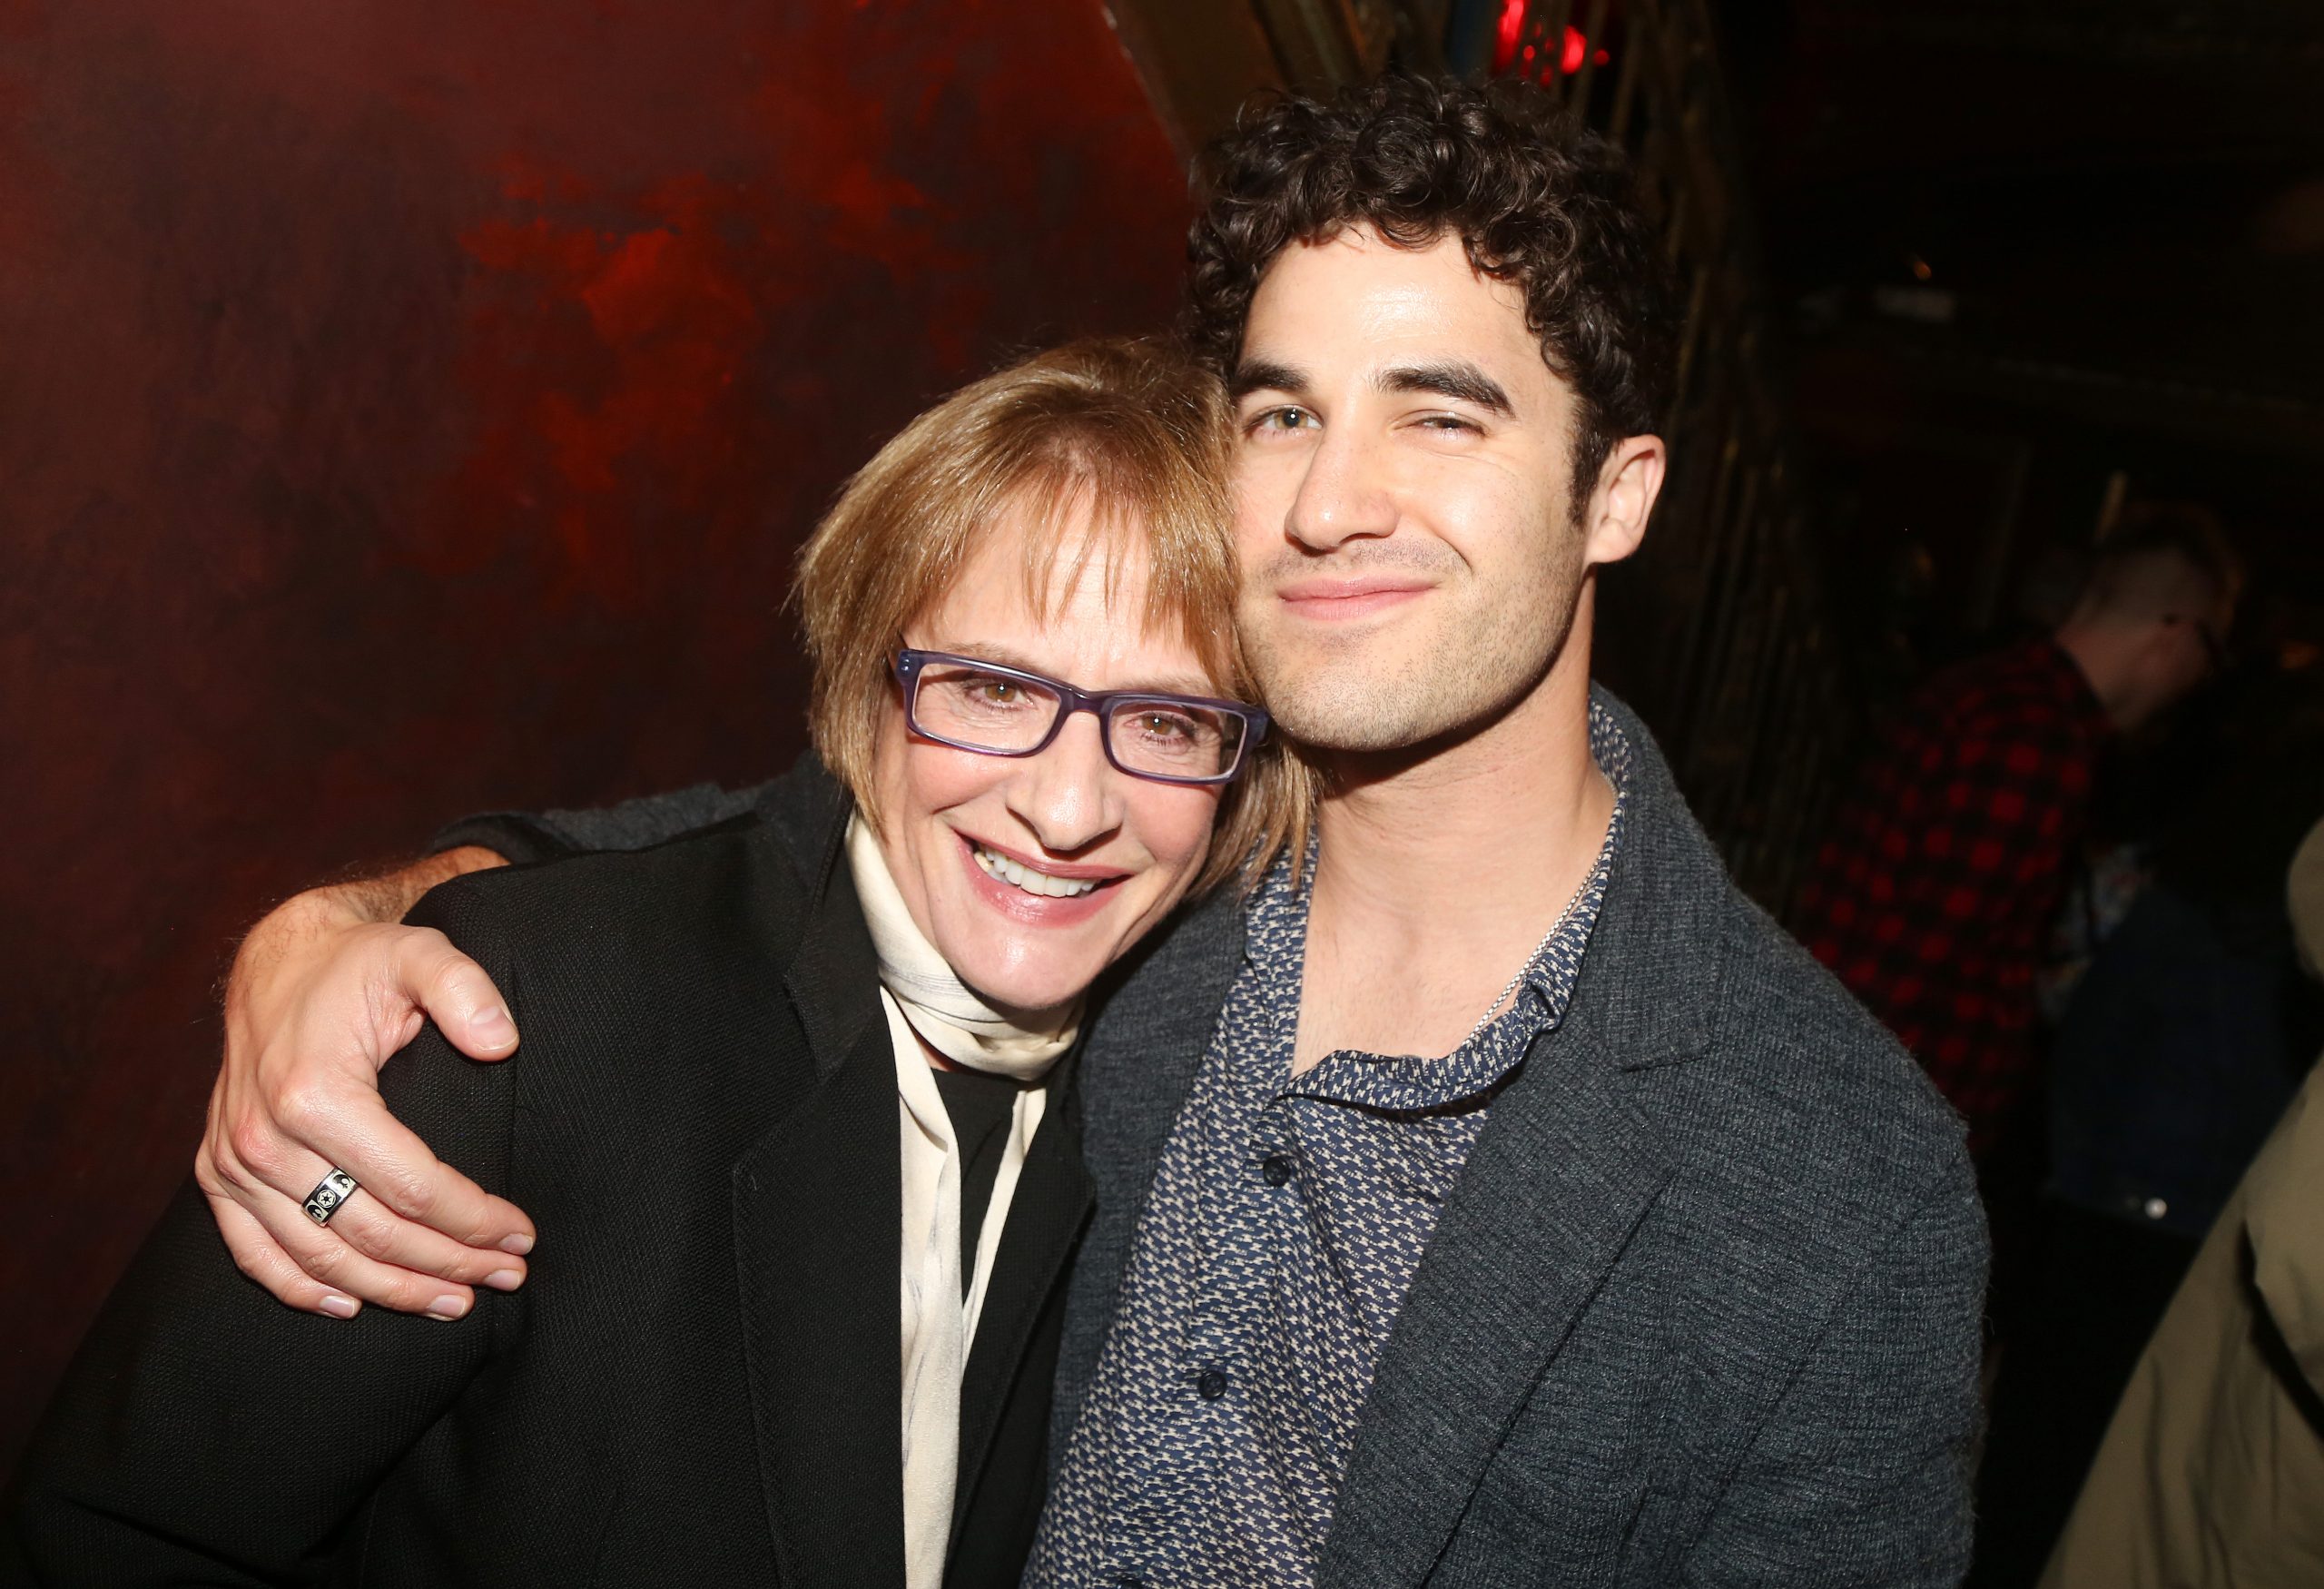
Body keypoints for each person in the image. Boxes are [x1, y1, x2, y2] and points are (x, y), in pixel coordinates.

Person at [173, 78, 1986, 1584]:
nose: (1332, 498)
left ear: (1616, 494)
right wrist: (341, 921)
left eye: (1438, 417)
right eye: (1280, 413)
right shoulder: (1135, 851)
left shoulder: (1838, 1189)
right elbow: (727, 859)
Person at [5, 339, 1302, 1586]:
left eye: (1170, 719)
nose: (1069, 808)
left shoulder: (1165, 1095)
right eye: (993, 689)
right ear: (868, 687)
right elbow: (124, 1541)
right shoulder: (515, 1020)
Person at [1794, 504, 2241, 1166]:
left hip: (1835, 1097)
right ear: (2177, 638)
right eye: (2208, 660)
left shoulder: (1989, 689)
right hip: (1869, 1131)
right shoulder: (2038, 739)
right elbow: (1916, 965)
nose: (2194, 685)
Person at [2038, 813, 2324, 1588]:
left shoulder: (2183, 904)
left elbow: (2087, 1049)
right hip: (2168, 1237)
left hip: (2157, 1236)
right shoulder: (2187, 913)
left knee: (2093, 1471)